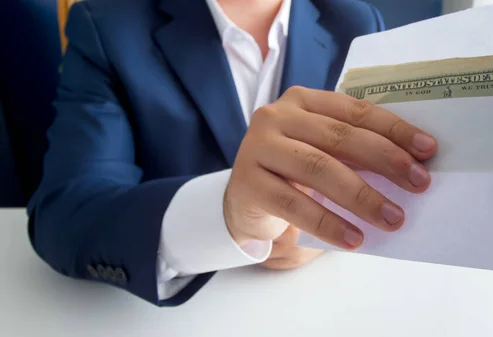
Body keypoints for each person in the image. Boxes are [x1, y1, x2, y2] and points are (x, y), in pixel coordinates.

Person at [28, 0, 440, 307]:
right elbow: (66, 213)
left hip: (324, 307)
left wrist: (325, 231)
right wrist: (223, 215)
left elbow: (378, 173)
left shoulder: (357, 22)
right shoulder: (108, 27)